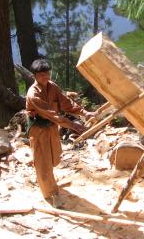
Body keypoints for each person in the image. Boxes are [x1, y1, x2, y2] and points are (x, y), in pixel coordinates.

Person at [26, 59, 96, 206]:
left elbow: (66, 103)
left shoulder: (53, 87)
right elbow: (52, 114)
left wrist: (84, 112)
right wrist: (73, 125)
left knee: (54, 157)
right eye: (41, 74)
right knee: (42, 162)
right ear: (35, 76)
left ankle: (48, 183)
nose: (45, 77)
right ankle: (51, 194)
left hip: (52, 128)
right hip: (38, 130)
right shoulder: (33, 94)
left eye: (47, 73)